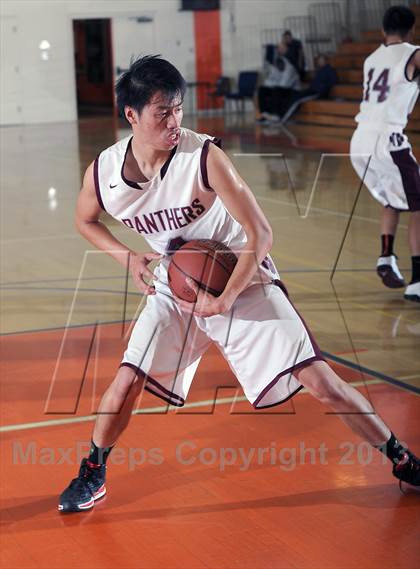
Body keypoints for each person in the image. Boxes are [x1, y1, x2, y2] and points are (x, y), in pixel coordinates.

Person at [58, 55, 419, 513]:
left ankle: (400, 458)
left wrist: (225, 298)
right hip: (179, 286)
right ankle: (94, 471)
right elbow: (84, 220)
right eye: (161, 112)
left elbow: (261, 234)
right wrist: (127, 257)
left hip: (240, 277)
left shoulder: (203, 157)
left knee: (320, 380)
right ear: (131, 115)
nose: (175, 121)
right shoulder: (104, 173)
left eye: (179, 108)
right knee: (126, 381)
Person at [350, 5, 420, 302]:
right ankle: (418, 280)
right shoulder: (413, 53)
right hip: (387, 140)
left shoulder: (371, 58)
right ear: (412, 29)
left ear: (383, 30)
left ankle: (386, 257)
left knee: (393, 197)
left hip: (360, 139)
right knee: (418, 207)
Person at [258, 54, 337, 124]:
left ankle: (281, 117)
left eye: (321, 60)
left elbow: (333, 81)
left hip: (318, 92)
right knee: (291, 96)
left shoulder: (330, 70)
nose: (320, 62)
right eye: (319, 60)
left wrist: (323, 87)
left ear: (325, 61)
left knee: (296, 99)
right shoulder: (319, 70)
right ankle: (273, 114)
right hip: (311, 90)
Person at [256, 41, 301, 121]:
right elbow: (270, 80)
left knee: (277, 90)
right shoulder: (277, 64)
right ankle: (264, 113)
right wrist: (268, 86)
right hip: (281, 87)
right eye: (278, 48)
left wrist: (274, 86)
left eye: (281, 48)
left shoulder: (289, 66)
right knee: (262, 89)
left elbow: (284, 84)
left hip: (293, 89)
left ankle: (277, 114)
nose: (279, 50)